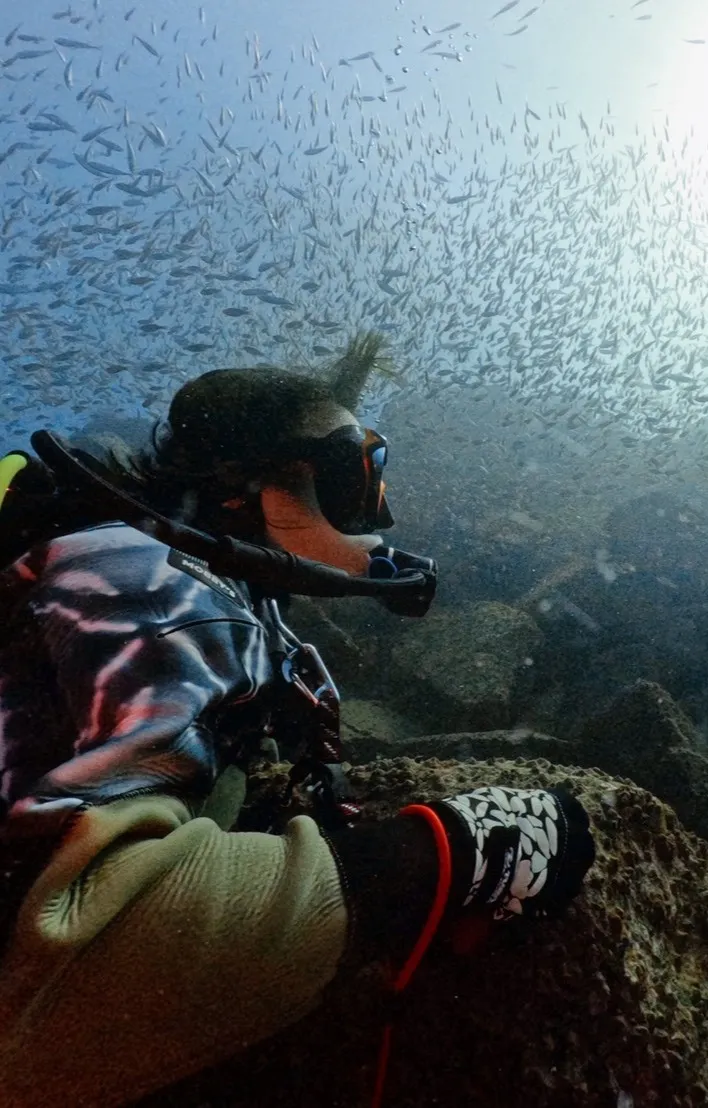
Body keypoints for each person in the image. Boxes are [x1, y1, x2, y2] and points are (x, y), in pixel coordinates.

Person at [0, 334, 595, 1108]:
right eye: (359, 475)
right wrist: (437, 856)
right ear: (260, 487)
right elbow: (58, 986)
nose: (382, 512)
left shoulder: (197, 592)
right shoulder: (162, 591)